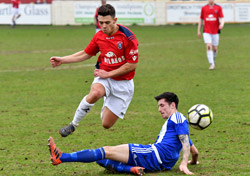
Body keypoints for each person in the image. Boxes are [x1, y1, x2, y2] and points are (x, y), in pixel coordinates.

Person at [48, 92, 199, 175]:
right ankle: (131, 169)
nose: (159, 109)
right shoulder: (177, 124)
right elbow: (192, 149)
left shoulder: (177, 117)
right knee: (101, 159)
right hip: (159, 163)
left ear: (173, 105)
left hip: (151, 154)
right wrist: (193, 160)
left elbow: (184, 140)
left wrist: (184, 164)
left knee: (106, 151)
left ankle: (62, 157)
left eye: (162, 105)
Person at [50, 4, 139, 137]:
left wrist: (109, 73)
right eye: (101, 22)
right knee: (95, 92)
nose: (104, 26)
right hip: (104, 76)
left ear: (115, 20)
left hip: (123, 83)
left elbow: (131, 65)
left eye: (107, 23)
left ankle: (108, 99)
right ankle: (73, 125)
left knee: (106, 124)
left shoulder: (128, 37)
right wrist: (63, 60)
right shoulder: (99, 36)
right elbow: (86, 53)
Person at [197, 0, 224, 70]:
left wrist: (222, 24)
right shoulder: (204, 8)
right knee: (208, 46)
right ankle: (211, 64)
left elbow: (222, 18)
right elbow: (201, 19)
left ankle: (213, 60)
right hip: (206, 31)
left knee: (215, 48)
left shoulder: (218, 8)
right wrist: (198, 30)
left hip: (215, 31)